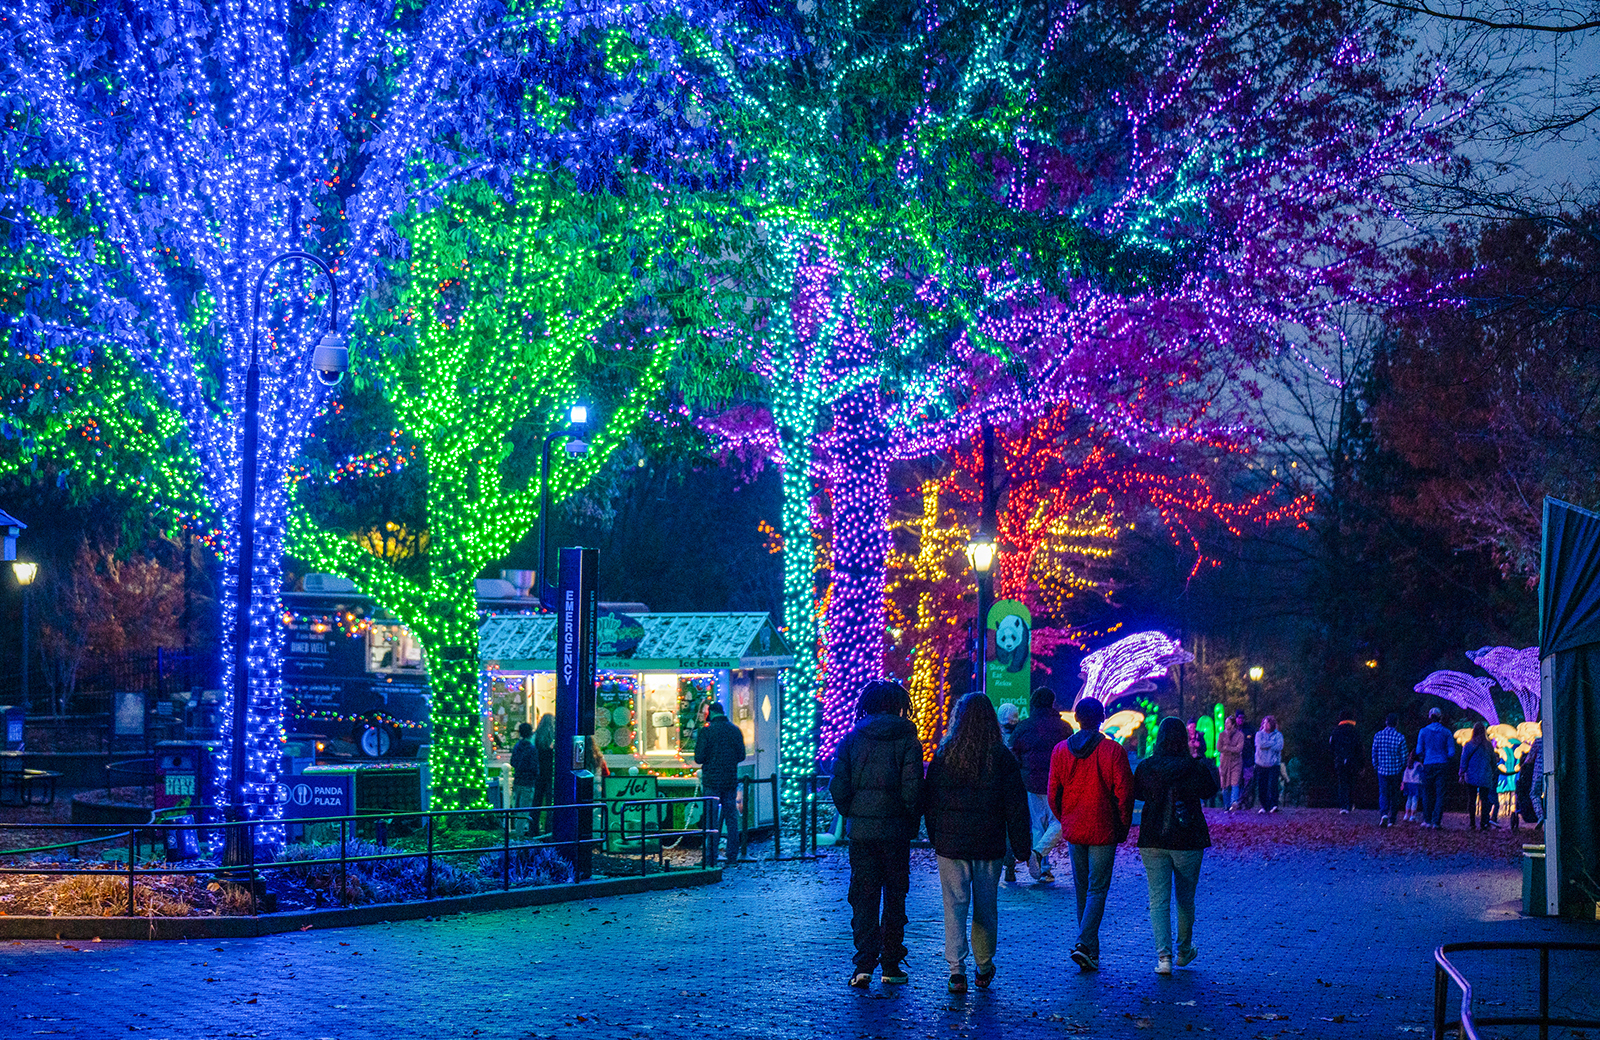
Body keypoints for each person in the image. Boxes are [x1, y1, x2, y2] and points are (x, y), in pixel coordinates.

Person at [923, 693, 1032, 994]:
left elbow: (930, 802)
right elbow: (1016, 806)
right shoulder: (1000, 756)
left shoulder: (944, 756)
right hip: (988, 842)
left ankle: (956, 970)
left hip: (951, 843)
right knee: (986, 907)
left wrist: (937, 837)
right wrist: (1022, 848)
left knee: (954, 905)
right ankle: (984, 964)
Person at [829, 679, 924, 989]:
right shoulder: (908, 740)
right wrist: (910, 818)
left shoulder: (851, 739)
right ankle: (891, 963)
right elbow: (913, 789)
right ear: (900, 705)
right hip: (896, 832)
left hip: (863, 833)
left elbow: (838, 787)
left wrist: (853, 813)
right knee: (895, 897)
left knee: (863, 897)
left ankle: (863, 964)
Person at [1047, 696, 1134, 972]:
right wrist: (1122, 824)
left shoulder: (1060, 751)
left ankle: (1090, 951)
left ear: (1078, 719)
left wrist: (1066, 818)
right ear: (1101, 719)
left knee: (1083, 890)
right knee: (1097, 888)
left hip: (1075, 827)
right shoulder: (1112, 752)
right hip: (1103, 826)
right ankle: (1085, 944)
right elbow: (1124, 792)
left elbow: (1053, 794)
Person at [1135, 717, 1220, 975]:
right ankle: (1184, 949)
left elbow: (1138, 793)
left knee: (1158, 899)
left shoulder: (1147, 767)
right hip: (1187, 837)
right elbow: (1210, 791)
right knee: (1185, 899)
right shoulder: (1195, 768)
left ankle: (1164, 957)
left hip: (1153, 837)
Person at [1009, 687, 1073, 883]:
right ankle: (1039, 856)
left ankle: (1042, 867)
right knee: (1059, 823)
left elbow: (1013, 754)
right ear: (1052, 703)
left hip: (1030, 783)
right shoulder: (1064, 728)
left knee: (1038, 826)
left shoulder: (1023, 727)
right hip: (1057, 784)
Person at [694, 702, 747, 865]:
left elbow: (699, 758)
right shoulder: (734, 730)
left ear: (711, 713)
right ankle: (732, 855)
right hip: (730, 780)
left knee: (711, 820)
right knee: (731, 819)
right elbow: (741, 755)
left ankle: (711, 856)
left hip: (711, 781)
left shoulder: (707, 731)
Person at [1416, 707, 1455, 829]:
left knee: (1427, 792)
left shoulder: (1423, 731)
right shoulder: (1446, 732)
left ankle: (1427, 820)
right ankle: (1436, 822)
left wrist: (1424, 757)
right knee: (1440, 793)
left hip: (1428, 763)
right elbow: (1451, 752)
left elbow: (1418, 750)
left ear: (1429, 717)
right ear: (1440, 717)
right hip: (1442, 764)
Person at [1370, 713, 1408, 827]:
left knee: (1383, 793)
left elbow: (1374, 753)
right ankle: (1392, 819)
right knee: (1395, 795)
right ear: (1396, 723)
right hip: (1395, 770)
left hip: (1382, 770)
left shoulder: (1378, 736)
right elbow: (1404, 756)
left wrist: (1376, 766)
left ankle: (1384, 814)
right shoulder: (1400, 737)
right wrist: (1401, 767)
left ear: (1386, 722)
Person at [1459, 722, 1497, 830]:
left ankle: (1472, 823)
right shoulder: (1488, 745)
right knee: (1484, 799)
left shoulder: (1469, 744)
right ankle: (1484, 822)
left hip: (1471, 775)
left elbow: (1464, 759)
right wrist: (1493, 771)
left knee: (1472, 799)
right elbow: (1493, 760)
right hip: (1485, 775)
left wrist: (1461, 773)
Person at [510, 721, 538, 836]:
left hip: (518, 781)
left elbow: (513, 762)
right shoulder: (532, 749)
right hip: (528, 782)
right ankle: (519, 837)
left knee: (517, 809)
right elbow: (534, 767)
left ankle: (517, 833)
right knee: (524, 810)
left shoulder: (517, 746)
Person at [1330, 712, 1360, 814]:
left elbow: (1332, 745)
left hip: (1340, 759)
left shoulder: (1336, 731)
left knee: (1342, 783)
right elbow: (1359, 748)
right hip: (1352, 760)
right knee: (1351, 783)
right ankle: (1350, 804)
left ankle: (1343, 805)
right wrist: (1361, 763)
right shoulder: (1354, 731)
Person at [1253, 716, 1284, 813]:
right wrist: (1271, 743)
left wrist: (1267, 744)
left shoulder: (1278, 735)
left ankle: (1273, 805)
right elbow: (1260, 745)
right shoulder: (1259, 734)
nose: (1265, 725)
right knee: (1262, 786)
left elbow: (1279, 747)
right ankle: (1264, 805)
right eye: (1264, 723)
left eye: (1268, 723)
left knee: (1273, 785)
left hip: (1274, 764)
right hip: (1261, 763)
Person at [532, 713, 556, 832]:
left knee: (536, 802)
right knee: (550, 803)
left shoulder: (536, 737)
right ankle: (549, 829)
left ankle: (533, 828)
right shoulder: (554, 737)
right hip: (551, 773)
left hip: (538, 773)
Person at [1217, 715, 1245, 810]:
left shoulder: (1240, 735)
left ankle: (1234, 802)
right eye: (1225, 722)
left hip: (1236, 762)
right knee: (1224, 784)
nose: (1226, 724)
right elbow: (1219, 747)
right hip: (1224, 762)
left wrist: (1227, 748)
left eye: (1228, 722)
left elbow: (1239, 749)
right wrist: (1229, 748)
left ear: (1233, 724)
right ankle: (1226, 805)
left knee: (1234, 782)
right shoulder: (1222, 735)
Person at [1401, 753, 1423, 823]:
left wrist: (1403, 783)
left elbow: (1405, 774)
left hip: (1408, 783)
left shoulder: (1408, 764)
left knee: (1409, 799)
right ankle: (1412, 815)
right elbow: (1421, 774)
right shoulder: (1418, 765)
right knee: (1414, 800)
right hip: (1416, 783)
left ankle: (1406, 814)